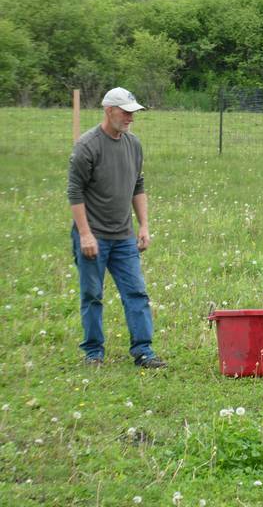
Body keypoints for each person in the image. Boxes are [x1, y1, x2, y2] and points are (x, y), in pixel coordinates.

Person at [67, 87, 167, 369]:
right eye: (126, 112)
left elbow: (138, 186)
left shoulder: (133, 145)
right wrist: (85, 234)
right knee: (92, 294)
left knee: (136, 293)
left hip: (123, 236)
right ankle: (93, 352)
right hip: (93, 236)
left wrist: (144, 225)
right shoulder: (87, 146)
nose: (130, 118)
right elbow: (75, 194)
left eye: (133, 113)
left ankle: (144, 351)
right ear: (109, 110)